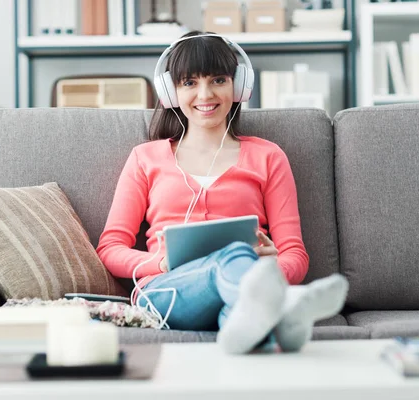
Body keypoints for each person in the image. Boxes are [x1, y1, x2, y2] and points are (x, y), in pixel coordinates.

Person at [97, 31, 348, 354]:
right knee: (233, 257)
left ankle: (271, 322)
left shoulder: (268, 157)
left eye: (218, 80)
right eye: (189, 83)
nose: (205, 94)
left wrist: (273, 266)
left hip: (242, 288)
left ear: (239, 85)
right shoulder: (145, 158)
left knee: (240, 315)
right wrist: (159, 263)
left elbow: (295, 254)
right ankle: (285, 303)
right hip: (166, 292)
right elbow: (110, 248)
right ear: (170, 92)